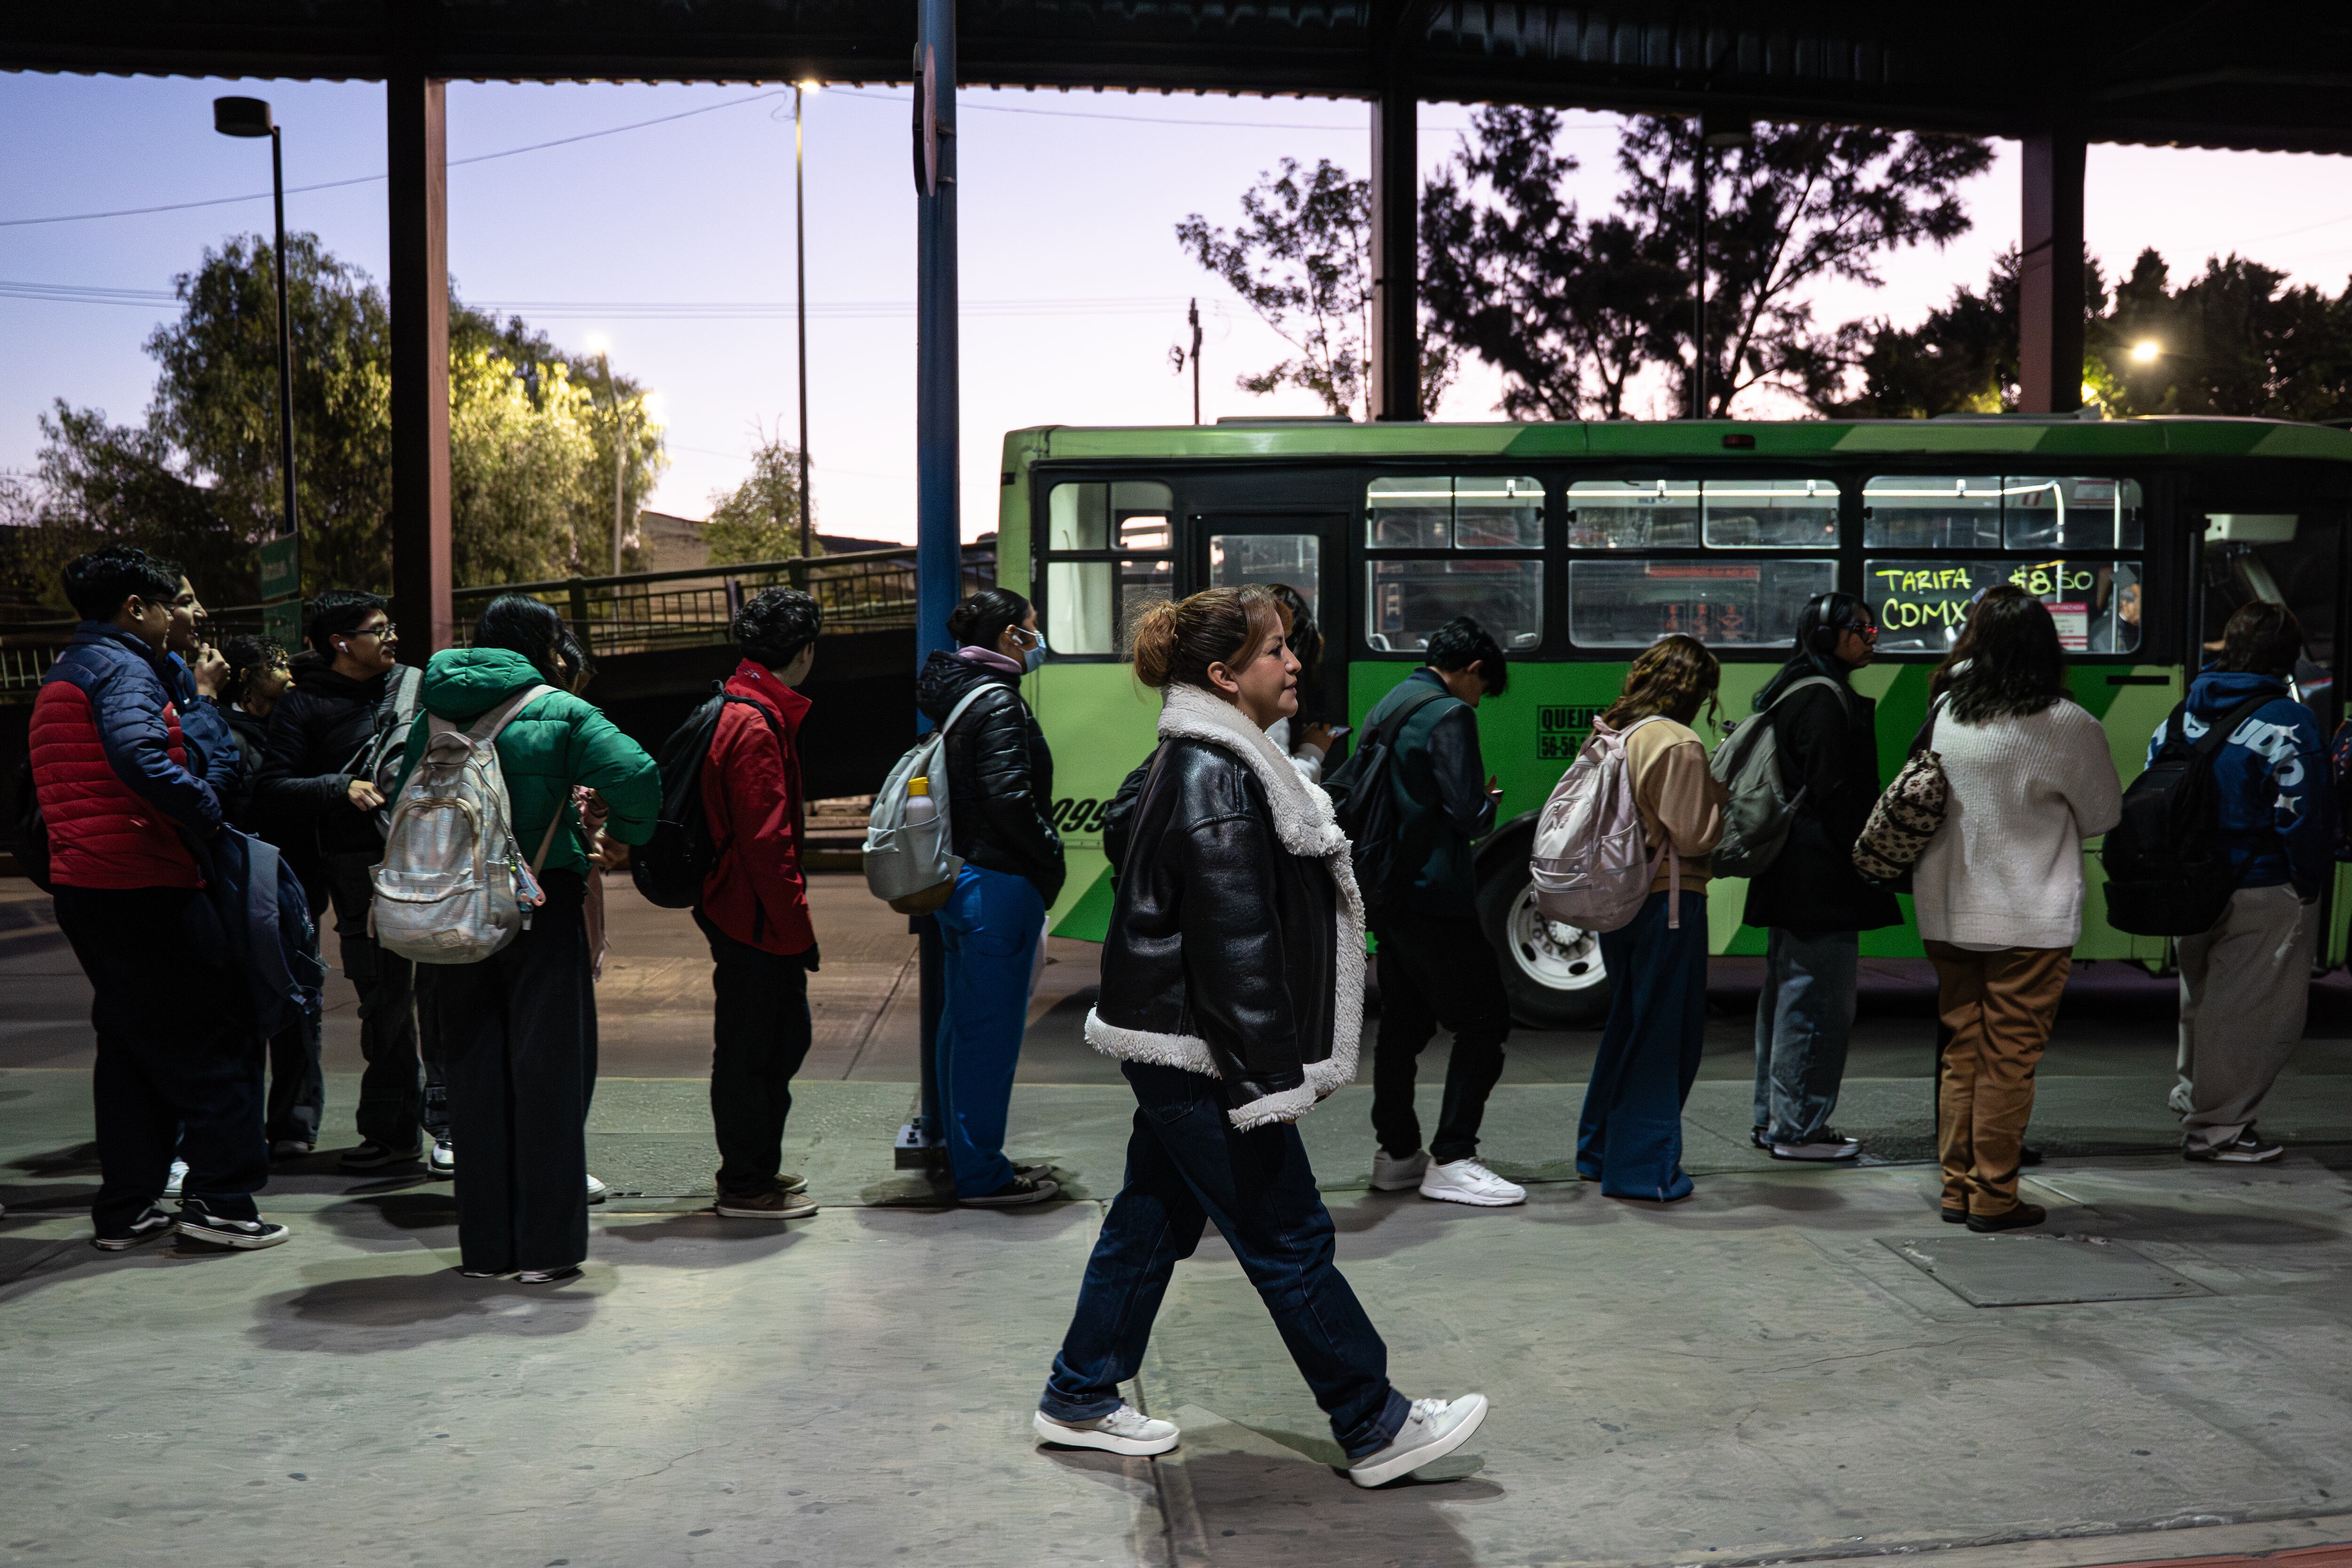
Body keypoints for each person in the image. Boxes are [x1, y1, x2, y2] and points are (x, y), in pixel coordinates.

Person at [1037, 586, 1488, 1488]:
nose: (1294, 663)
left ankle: (1079, 1392)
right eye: (1275, 650)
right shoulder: (1218, 772)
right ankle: (1376, 1421)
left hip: (1173, 1041)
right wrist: (1266, 1084)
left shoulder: (1208, 759)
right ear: (1223, 675)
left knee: (1151, 1216)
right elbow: (1236, 946)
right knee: (1287, 1236)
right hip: (1204, 1051)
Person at [389, 594, 659, 1283]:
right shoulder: (560, 710)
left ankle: (487, 1250)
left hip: (457, 913)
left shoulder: (438, 709)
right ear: (546, 646)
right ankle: (546, 1252)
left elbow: (400, 789)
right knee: (548, 1079)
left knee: (476, 1079)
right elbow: (637, 775)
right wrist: (622, 835)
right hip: (541, 909)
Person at [29, 545, 287, 1250]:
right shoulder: (121, 670)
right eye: (170, 602)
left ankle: (128, 1209)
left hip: (89, 886)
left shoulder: (69, 669)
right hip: (145, 882)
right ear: (136, 608)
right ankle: (222, 1203)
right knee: (220, 1035)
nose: (180, 613)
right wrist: (205, 811)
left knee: (132, 1050)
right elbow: (142, 756)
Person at [1913, 588, 2121, 1231]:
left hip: (1948, 909)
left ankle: (1956, 1189)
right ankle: (1994, 1196)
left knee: (1963, 1053)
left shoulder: (1949, 707)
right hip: (2029, 918)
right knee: (2009, 1061)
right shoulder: (2067, 723)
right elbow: (2104, 813)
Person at [255, 590, 426, 1171]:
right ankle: (393, 1133)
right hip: (358, 869)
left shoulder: (416, 686)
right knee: (384, 1001)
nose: (393, 637)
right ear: (341, 643)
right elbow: (272, 788)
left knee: (449, 995)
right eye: (380, 629)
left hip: (432, 857)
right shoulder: (304, 707)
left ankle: (451, 1127)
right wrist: (337, 787)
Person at [1360, 615, 1524, 1207]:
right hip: (1436, 892)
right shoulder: (1449, 714)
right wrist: (1487, 805)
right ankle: (1453, 1156)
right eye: (1483, 687)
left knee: (1402, 1026)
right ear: (1474, 670)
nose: (1480, 699)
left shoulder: (1390, 703)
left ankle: (1397, 1154)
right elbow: (1464, 814)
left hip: (1389, 893)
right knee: (1485, 1022)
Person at [2162, 602, 2333, 1165]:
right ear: (2286, 657)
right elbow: (2301, 814)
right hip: (2260, 883)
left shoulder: (2184, 712)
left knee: (2201, 999)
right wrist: (2307, 884)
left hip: (2189, 883)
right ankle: (2218, 1132)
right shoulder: (2290, 721)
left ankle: (2193, 1099)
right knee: (2250, 1014)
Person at [914, 587, 1066, 1207]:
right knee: (990, 1038)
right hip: (999, 885)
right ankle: (982, 1176)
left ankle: (964, 1150)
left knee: (962, 1027)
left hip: (963, 883)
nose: (1037, 640)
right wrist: (1050, 854)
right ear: (1009, 636)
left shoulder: (959, 694)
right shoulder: (999, 702)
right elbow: (1009, 799)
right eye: (1031, 629)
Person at [1744, 591, 1903, 1162]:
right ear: (1828, 636)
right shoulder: (1821, 699)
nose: (1871, 637)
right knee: (1816, 1006)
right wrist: (1872, 860)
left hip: (1791, 877)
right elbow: (1835, 794)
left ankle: (1775, 1120)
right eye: (1860, 628)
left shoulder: (1793, 689)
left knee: (1786, 1002)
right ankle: (1799, 1129)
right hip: (1821, 882)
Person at [1576, 636, 1728, 1202]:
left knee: (1627, 1026)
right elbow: (1693, 834)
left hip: (1618, 901)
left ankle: (1597, 1151)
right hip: (1668, 900)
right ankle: (1642, 1171)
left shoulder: (1616, 732)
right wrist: (1719, 799)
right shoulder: (1677, 743)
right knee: (1665, 1036)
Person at [696, 588, 826, 1221]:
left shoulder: (746, 705)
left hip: (744, 912)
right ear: (803, 653)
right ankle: (745, 1183)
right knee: (755, 1051)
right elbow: (767, 842)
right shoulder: (753, 722)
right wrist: (798, 928)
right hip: (753, 919)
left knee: (777, 1041)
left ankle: (758, 1166)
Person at [218, 635, 326, 1159]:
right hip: (246, 882)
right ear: (245, 677)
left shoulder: (296, 720)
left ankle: (292, 1124)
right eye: (274, 663)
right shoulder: (223, 731)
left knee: (298, 996)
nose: (286, 670)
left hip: (294, 882)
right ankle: (244, 1125)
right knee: (246, 1004)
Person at [1263, 582, 1336, 784]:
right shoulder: (1269, 703)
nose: (1294, 664)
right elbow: (1282, 786)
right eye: (1276, 649)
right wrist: (1313, 749)